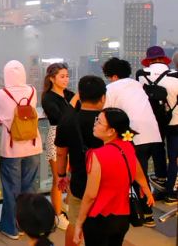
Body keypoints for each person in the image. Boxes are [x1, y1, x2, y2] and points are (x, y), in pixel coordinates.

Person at [73, 108, 154, 246]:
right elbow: (137, 168)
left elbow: (91, 195)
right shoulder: (127, 146)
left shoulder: (97, 155)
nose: (95, 124)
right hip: (122, 217)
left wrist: (79, 223)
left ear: (111, 131)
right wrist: (145, 187)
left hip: (99, 217)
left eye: (99, 122)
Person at [102, 57, 162, 225]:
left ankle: (145, 213)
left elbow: (107, 113)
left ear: (112, 76)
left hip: (135, 136)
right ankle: (143, 209)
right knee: (140, 172)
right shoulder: (137, 85)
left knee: (135, 173)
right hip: (153, 134)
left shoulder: (111, 88)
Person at [54, 75, 106, 246]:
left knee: (76, 222)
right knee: (103, 223)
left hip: (80, 180)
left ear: (80, 95)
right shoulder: (109, 120)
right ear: (103, 97)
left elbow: (61, 153)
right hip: (107, 182)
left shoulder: (68, 120)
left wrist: (61, 175)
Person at [0, 60, 42, 240]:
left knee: (11, 190)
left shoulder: (0, 94)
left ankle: (11, 228)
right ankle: (26, 225)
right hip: (33, 146)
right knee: (29, 190)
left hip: (12, 149)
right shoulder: (32, 91)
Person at [136, 45, 178, 205]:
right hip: (174, 121)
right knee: (173, 158)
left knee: (156, 153)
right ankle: (171, 193)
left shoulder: (141, 75)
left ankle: (158, 190)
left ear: (148, 60)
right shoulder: (175, 76)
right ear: (164, 59)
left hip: (152, 122)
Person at [41, 62, 77, 231]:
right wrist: (75, 102)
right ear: (52, 78)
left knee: (71, 174)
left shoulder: (69, 94)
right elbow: (59, 117)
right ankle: (57, 215)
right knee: (58, 178)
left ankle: (66, 205)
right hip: (56, 135)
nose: (66, 80)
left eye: (67, 76)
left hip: (72, 135)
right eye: (62, 76)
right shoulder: (48, 97)